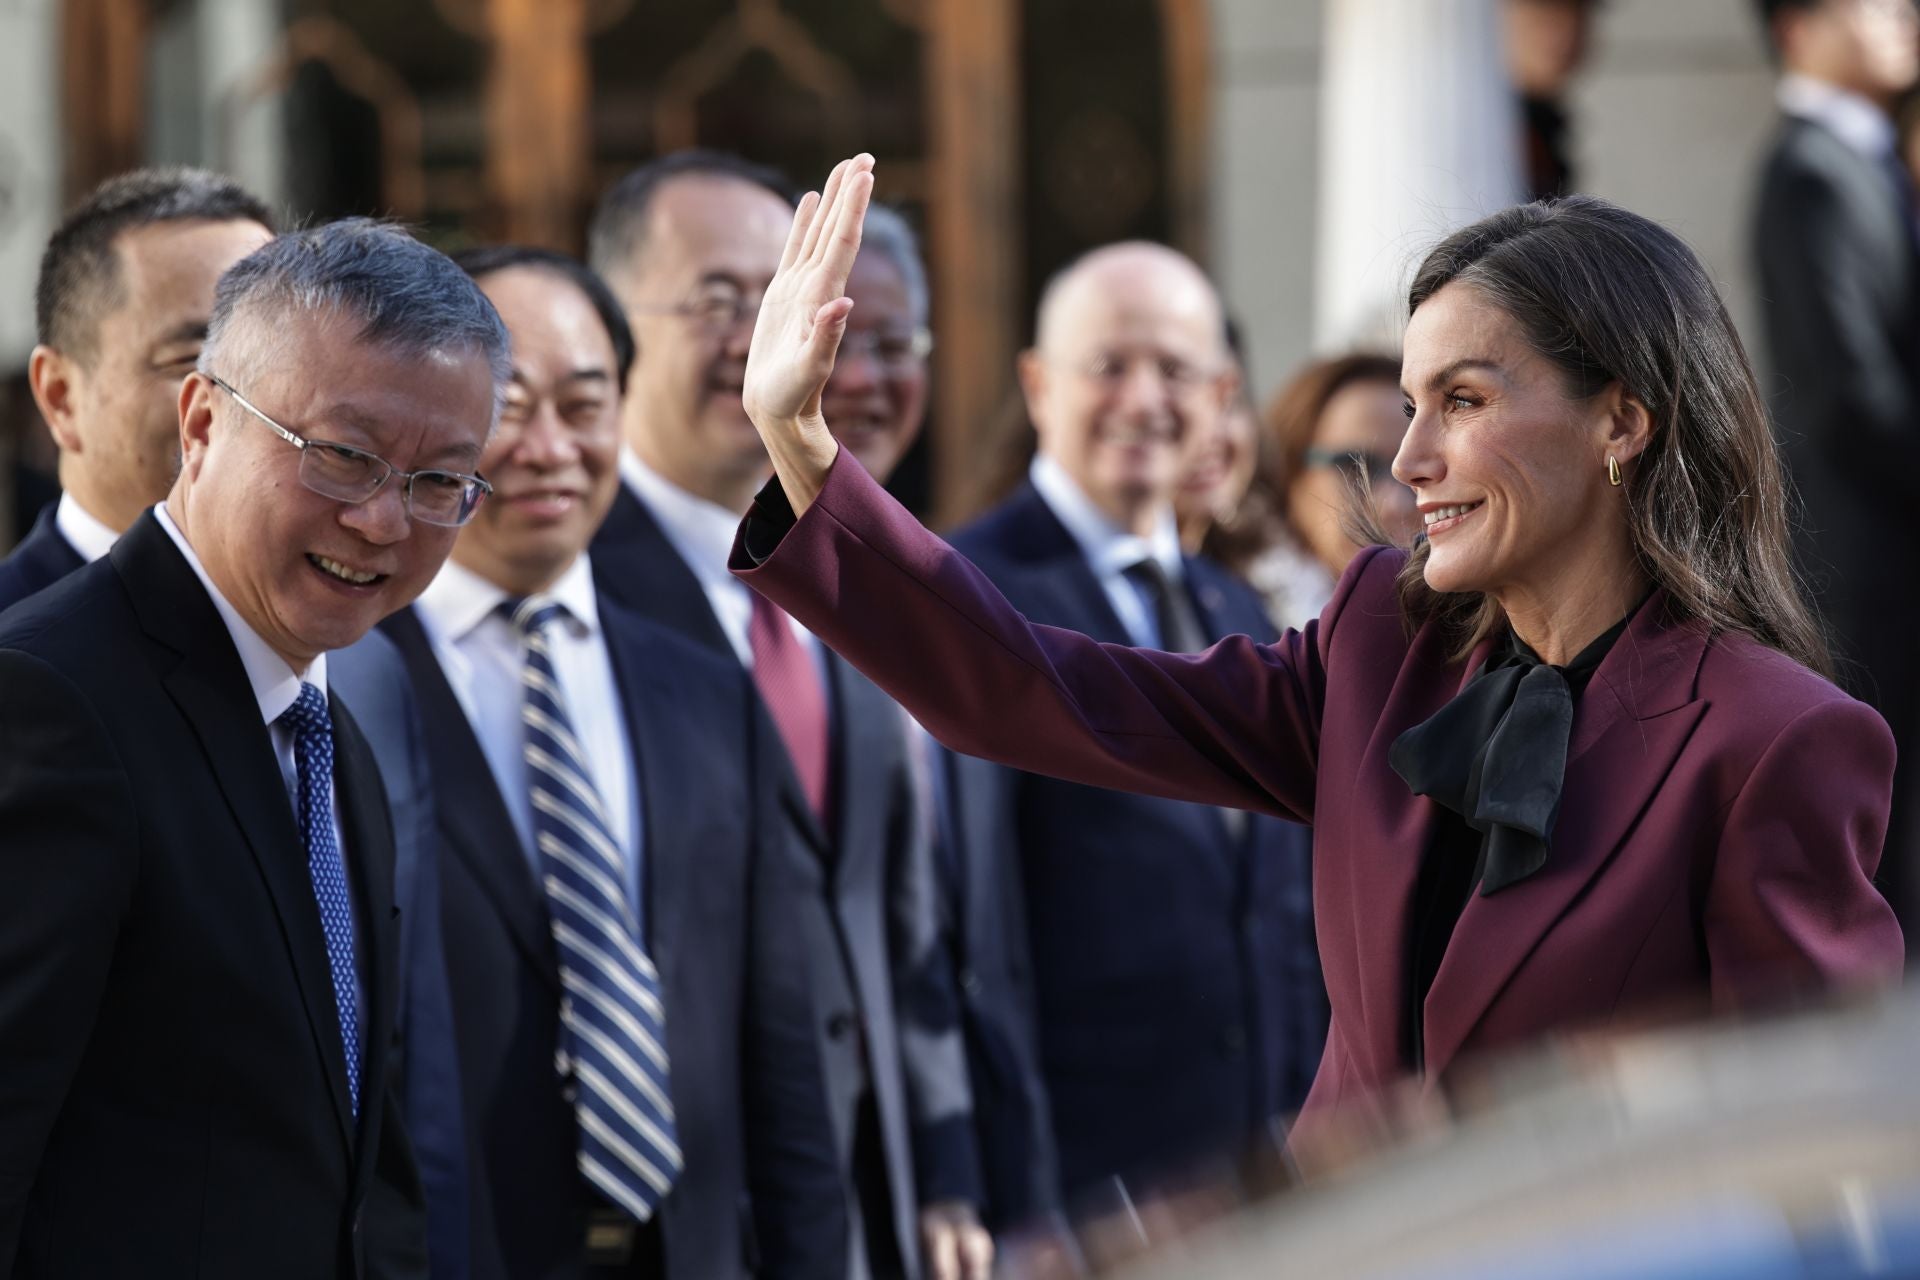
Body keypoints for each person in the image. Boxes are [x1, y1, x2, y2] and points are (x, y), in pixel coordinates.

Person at [732, 156, 1905, 1150]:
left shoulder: (1774, 741)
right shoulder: (1380, 646)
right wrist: (801, 445)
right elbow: (1037, 694)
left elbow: (1814, 1152)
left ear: (1623, 418)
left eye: (1464, 398)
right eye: (1410, 404)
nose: (1409, 461)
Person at [0, 217, 508, 1275]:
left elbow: (356, 1163)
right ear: (199, 421)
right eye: (343, 456)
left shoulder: (331, 728)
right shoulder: (46, 698)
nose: (381, 521)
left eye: (438, 482)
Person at [379, 245, 845, 1279]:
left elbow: (782, 1049)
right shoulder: (352, 686)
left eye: (586, 404)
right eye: (509, 406)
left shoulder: (706, 687)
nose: (550, 448)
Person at [586, 150, 976, 1280]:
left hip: (866, 1201)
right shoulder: (563, 598)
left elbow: (904, 927)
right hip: (679, 1207)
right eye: (718, 301)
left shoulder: (837, 572)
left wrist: (947, 1165)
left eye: (779, 300)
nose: (756, 337)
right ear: (616, 325)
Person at [935, 240, 1327, 1212]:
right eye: (1109, 365)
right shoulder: (969, 596)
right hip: (1079, 1182)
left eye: (1178, 369)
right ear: (1037, 384)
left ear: (1224, 391)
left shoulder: (1237, 606)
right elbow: (965, 926)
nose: (1145, 398)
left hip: (1266, 1167)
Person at [1752, 0, 1920, 950]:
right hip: (1864, 575)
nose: (1902, 17)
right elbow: (1849, 394)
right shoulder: (1811, 172)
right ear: (1796, 26)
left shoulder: (1864, 161)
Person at [0, 167, 272, 603]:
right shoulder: (14, 642)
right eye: (194, 360)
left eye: (276, 358)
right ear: (61, 396)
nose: (256, 399)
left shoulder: (354, 641)